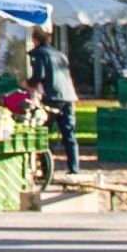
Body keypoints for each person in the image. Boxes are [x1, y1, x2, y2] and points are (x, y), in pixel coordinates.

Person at [29, 28, 81, 174]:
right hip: (68, 95)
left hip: (51, 96)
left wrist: (27, 83)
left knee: (42, 132)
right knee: (69, 134)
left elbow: (38, 76)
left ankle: (45, 169)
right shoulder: (60, 54)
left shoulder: (39, 53)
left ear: (35, 39)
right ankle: (74, 167)